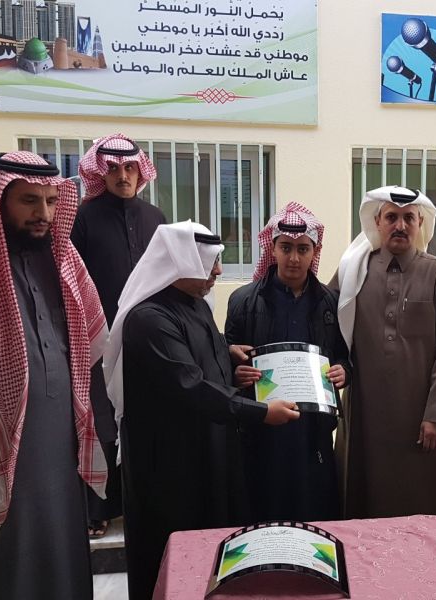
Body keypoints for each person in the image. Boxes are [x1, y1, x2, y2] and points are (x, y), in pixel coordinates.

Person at [0, 151, 108, 599]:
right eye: (29, 201)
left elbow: (90, 356)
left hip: (58, 449)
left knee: (60, 557)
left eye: (52, 201)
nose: (44, 214)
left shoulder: (65, 265)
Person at [103, 220, 300, 600]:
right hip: (170, 467)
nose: (218, 271)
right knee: (174, 554)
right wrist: (261, 412)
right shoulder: (149, 318)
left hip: (208, 451)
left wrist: (227, 357)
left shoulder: (194, 303)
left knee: (213, 551)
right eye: (209, 262)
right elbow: (190, 385)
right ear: (180, 261)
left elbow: (199, 358)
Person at [332, 185, 436, 518]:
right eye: (391, 217)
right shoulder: (353, 270)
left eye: (409, 218)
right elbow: (323, 323)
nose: (400, 226)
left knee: (422, 497)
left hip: (419, 414)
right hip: (364, 411)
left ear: (421, 223)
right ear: (377, 222)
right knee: (362, 496)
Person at [225, 202, 350, 522]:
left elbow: (344, 355)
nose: (294, 258)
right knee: (263, 503)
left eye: (303, 249)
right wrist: (236, 372)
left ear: (314, 252)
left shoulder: (331, 303)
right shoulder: (242, 301)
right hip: (261, 428)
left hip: (313, 431)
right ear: (273, 249)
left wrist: (344, 371)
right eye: (286, 248)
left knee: (313, 505)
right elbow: (227, 355)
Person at [72, 133, 165, 537]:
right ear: (100, 171)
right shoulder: (83, 218)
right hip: (99, 338)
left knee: (144, 418)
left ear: (141, 171)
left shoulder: (156, 218)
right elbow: (71, 279)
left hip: (147, 338)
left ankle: (139, 502)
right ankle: (99, 509)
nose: (123, 176)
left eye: (129, 167)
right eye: (113, 168)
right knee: (102, 423)